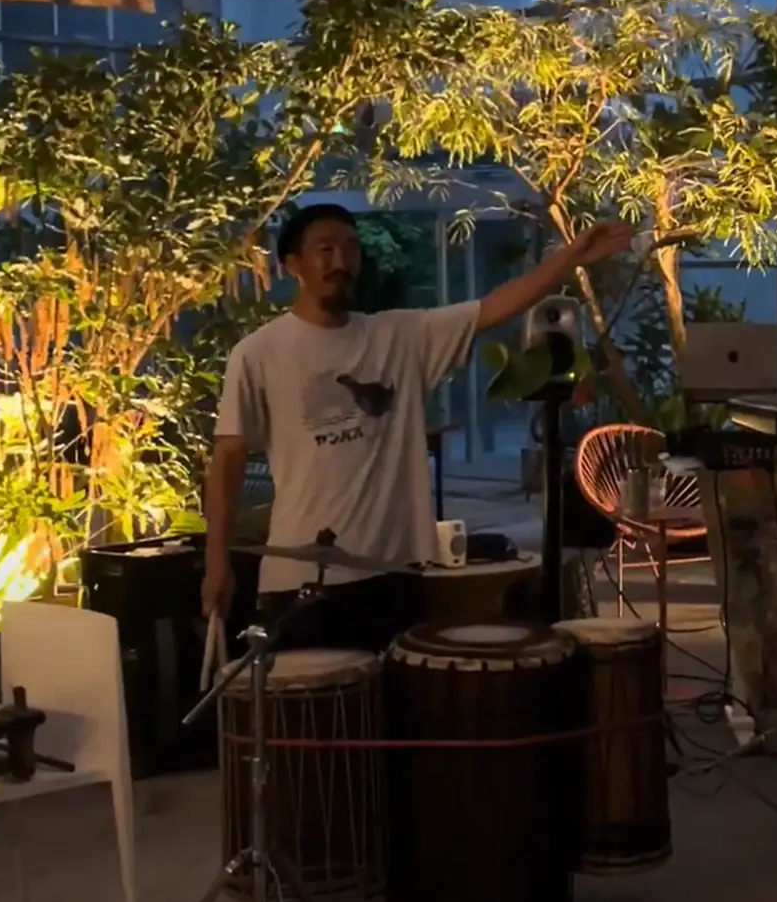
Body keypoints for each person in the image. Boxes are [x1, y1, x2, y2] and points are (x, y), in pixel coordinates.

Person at [200, 203, 633, 650]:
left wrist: (570, 257)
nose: (340, 261)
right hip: (300, 579)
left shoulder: (401, 336)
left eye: (350, 248)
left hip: (395, 575)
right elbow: (228, 459)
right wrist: (217, 562)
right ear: (293, 265)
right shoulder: (257, 354)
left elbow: (492, 309)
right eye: (324, 249)